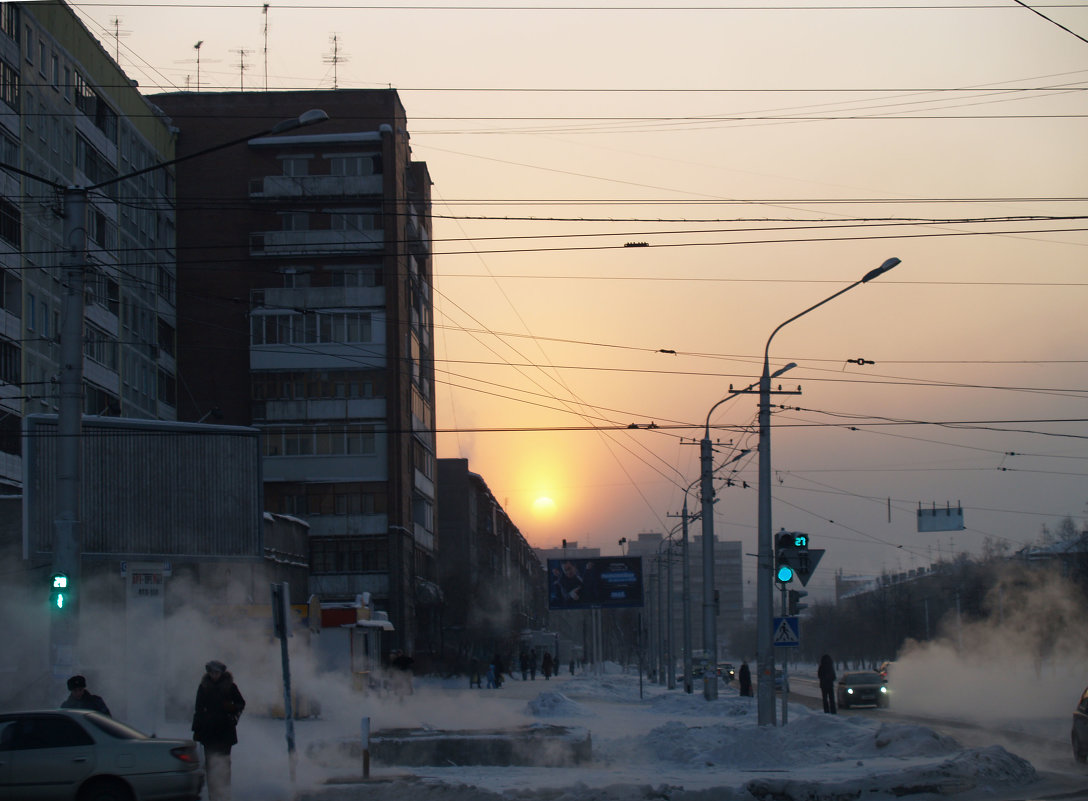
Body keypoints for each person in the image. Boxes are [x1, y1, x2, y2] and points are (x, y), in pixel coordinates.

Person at [192, 660, 245, 801]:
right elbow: (198, 710)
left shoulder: (230, 687)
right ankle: (213, 796)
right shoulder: (203, 687)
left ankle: (225, 795)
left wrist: (231, 709)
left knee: (224, 764)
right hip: (209, 733)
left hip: (225, 732)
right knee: (210, 765)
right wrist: (197, 730)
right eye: (211, 672)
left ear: (222, 673)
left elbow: (241, 703)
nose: (214, 675)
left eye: (216, 672)